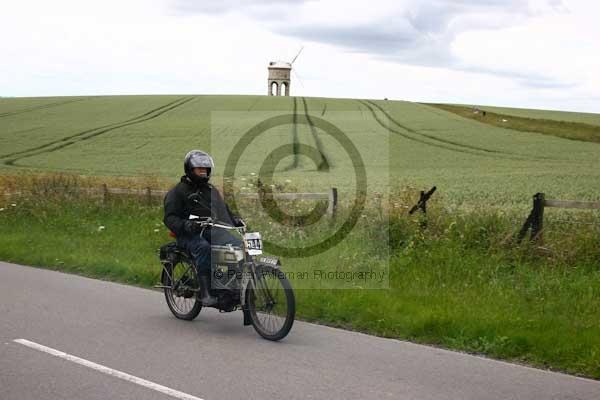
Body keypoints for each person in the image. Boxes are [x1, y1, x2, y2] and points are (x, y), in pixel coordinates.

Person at [163, 150, 244, 306]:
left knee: (237, 245)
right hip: (188, 234)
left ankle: (228, 286)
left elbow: (222, 210)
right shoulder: (177, 192)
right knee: (204, 248)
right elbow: (170, 218)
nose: (203, 172)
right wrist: (186, 225)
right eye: (199, 169)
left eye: (205, 169)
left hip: (210, 229)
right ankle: (206, 294)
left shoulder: (210, 190)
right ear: (190, 169)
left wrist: (234, 220)